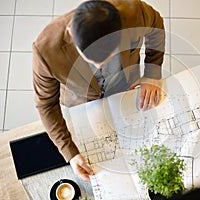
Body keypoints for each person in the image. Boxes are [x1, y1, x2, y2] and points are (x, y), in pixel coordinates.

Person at [32, 0, 165, 182]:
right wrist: (69, 152)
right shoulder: (45, 50)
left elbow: (156, 26)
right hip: (83, 103)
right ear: (71, 32)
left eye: (108, 56)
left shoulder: (134, 12)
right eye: (92, 60)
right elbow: (46, 105)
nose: (101, 65)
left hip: (126, 88)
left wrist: (152, 72)